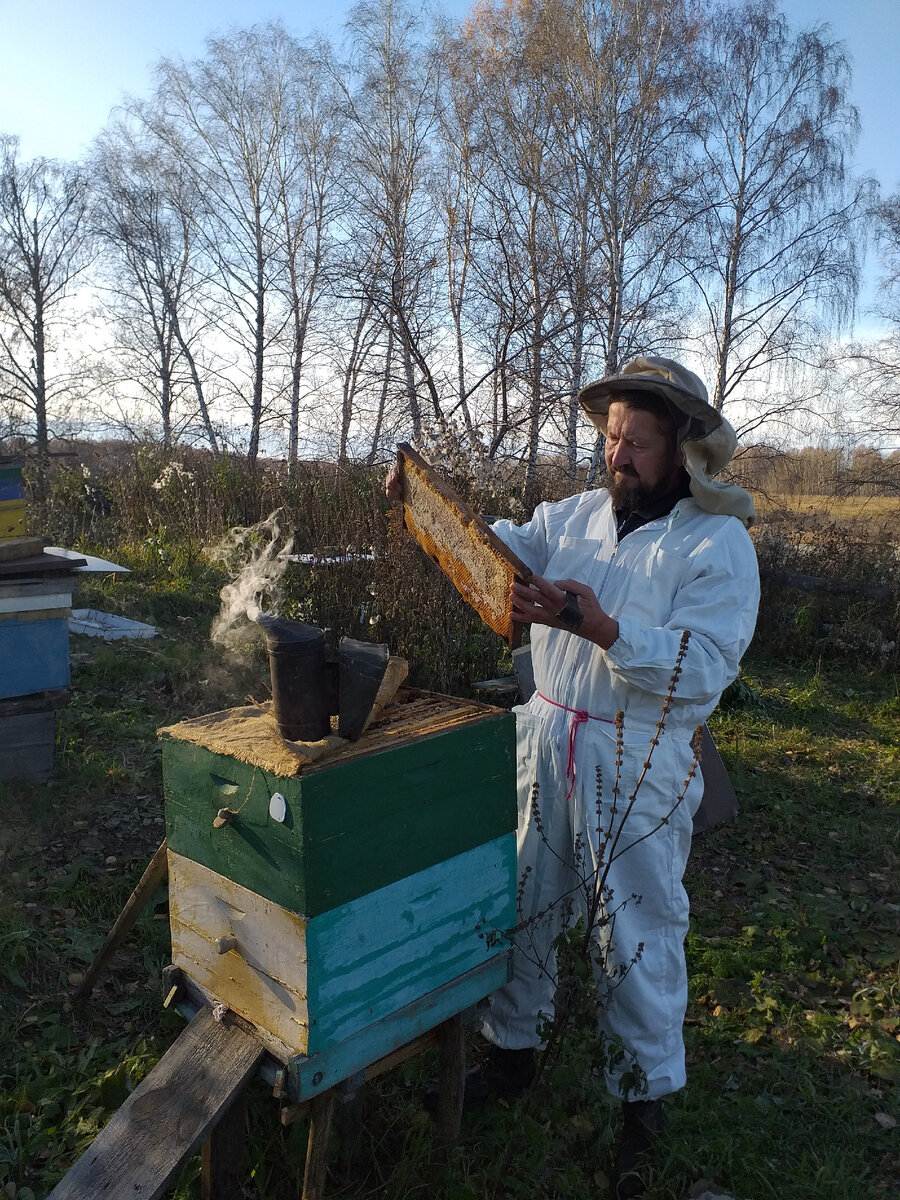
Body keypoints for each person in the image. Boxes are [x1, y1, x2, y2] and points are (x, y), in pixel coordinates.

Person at [387, 356, 759, 1198]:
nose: (617, 456)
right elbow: (500, 551)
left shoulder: (716, 543)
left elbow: (703, 666)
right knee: (519, 901)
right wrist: (431, 514)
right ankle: (512, 1054)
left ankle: (642, 1101)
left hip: (639, 754)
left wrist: (603, 628)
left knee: (635, 928)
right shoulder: (577, 515)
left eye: (637, 442)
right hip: (544, 730)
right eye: (611, 437)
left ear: (685, 449)